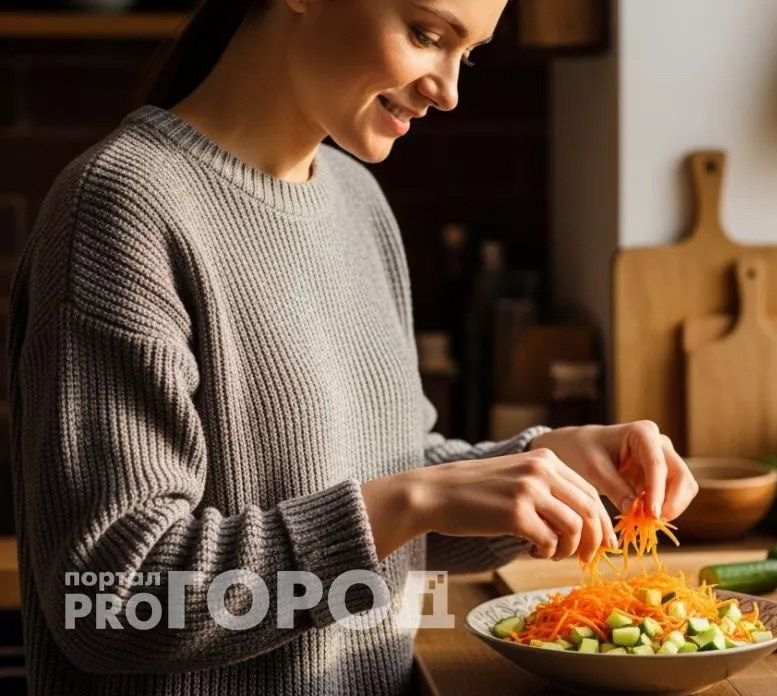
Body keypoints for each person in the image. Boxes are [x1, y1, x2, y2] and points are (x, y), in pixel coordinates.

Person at [5, 1, 699, 694]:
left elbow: (384, 485)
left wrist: (548, 464)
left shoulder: (358, 200)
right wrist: (410, 501)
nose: (450, 89)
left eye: (471, 53)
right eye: (428, 35)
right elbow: (109, 601)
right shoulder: (121, 207)